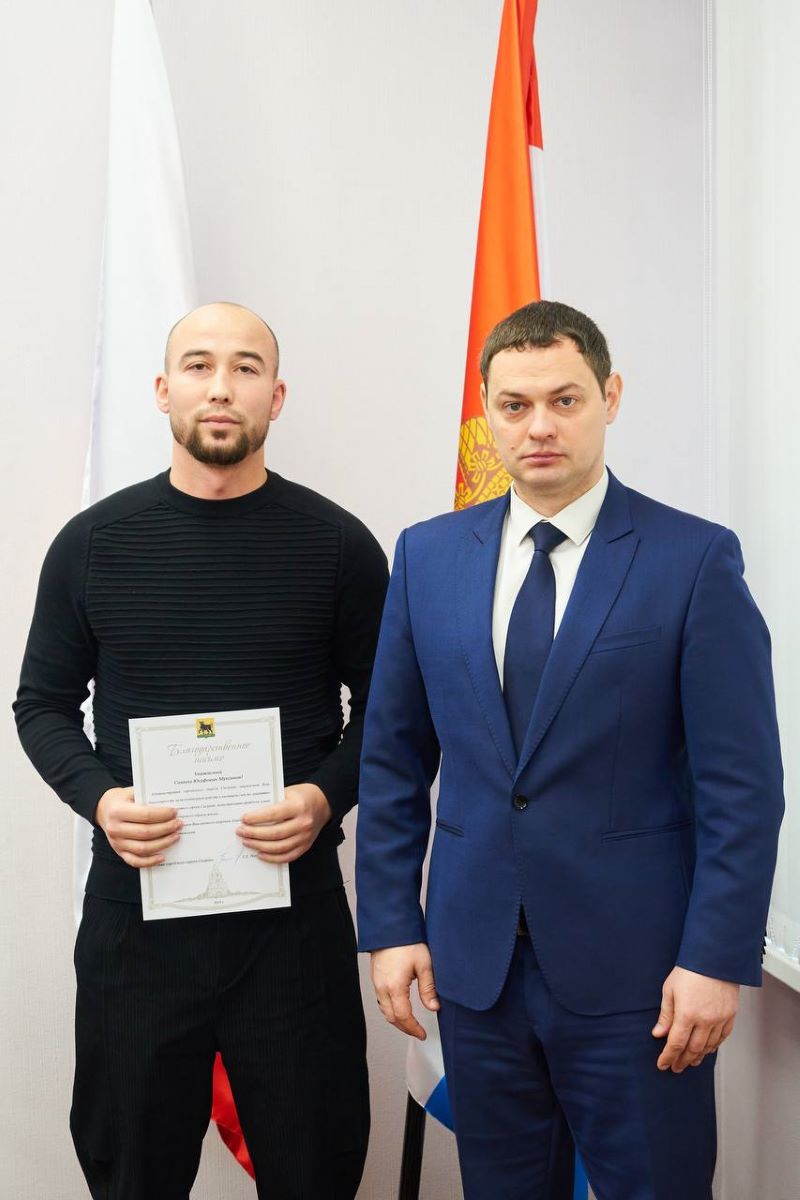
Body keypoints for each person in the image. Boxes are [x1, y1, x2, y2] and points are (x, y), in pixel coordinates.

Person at [356, 300, 784, 1200]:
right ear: (487, 411)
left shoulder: (693, 559)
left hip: (642, 978)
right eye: (514, 406)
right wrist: (391, 924)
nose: (540, 426)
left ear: (609, 397)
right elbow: (394, 759)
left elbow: (742, 788)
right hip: (475, 972)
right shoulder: (428, 556)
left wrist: (715, 957)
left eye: (565, 399)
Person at [15, 302, 388, 1200]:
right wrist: (102, 800)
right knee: (132, 1173)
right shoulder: (92, 544)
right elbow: (42, 706)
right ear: (162, 390)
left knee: (315, 1170)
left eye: (246, 367)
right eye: (199, 365)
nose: (221, 387)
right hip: (136, 919)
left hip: (292, 922)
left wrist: (324, 797)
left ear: (276, 396)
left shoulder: (339, 545)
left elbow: (394, 715)